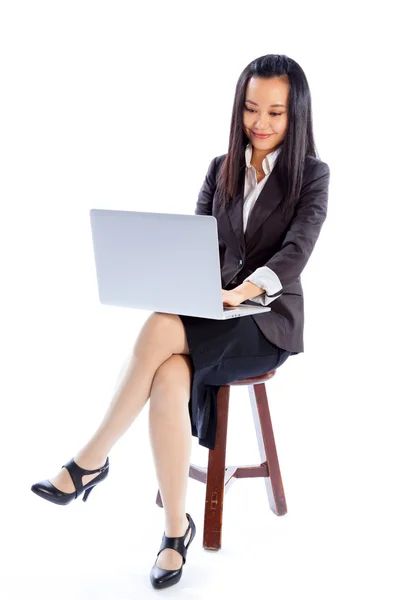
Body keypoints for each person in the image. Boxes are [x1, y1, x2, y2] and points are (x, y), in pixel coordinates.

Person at [31, 53, 330, 590]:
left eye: (276, 113)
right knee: (168, 373)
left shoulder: (312, 175)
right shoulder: (221, 168)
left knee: (160, 327)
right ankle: (175, 532)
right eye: (251, 108)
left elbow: (297, 249)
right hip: (210, 309)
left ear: (297, 116)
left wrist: (243, 290)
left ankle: (91, 459)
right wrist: (183, 283)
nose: (260, 123)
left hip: (267, 321)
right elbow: (193, 244)